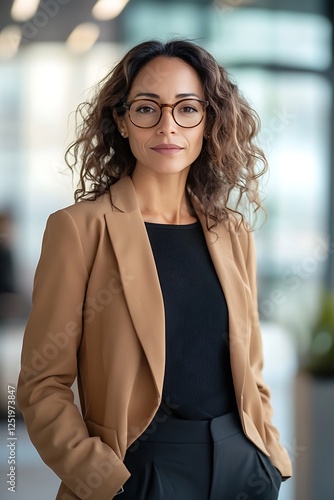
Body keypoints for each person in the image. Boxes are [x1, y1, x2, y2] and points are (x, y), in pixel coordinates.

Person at [17, 39, 292, 500]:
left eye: (187, 108)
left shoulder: (233, 231)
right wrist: (103, 479)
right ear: (123, 121)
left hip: (241, 468)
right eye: (147, 108)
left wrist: (270, 457)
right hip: (139, 471)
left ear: (209, 121)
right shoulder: (80, 229)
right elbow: (42, 384)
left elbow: (252, 368)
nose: (167, 126)